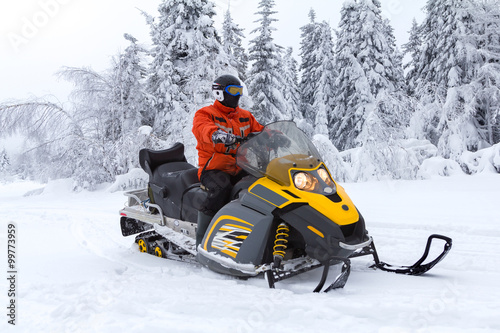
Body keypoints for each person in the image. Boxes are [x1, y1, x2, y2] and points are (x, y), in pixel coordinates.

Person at [192, 74, 264, 247]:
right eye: (233, 90)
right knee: (221, 189)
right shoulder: (206, 114)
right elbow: (203, 129)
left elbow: (260, 131)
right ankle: (202, 240)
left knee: (264, 186)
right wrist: (217, 135)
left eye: (239, 90)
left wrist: (276, 137)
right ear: (219, 93)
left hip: (241, 166)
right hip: (214, 168)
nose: (237, 95)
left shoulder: (245, 116)